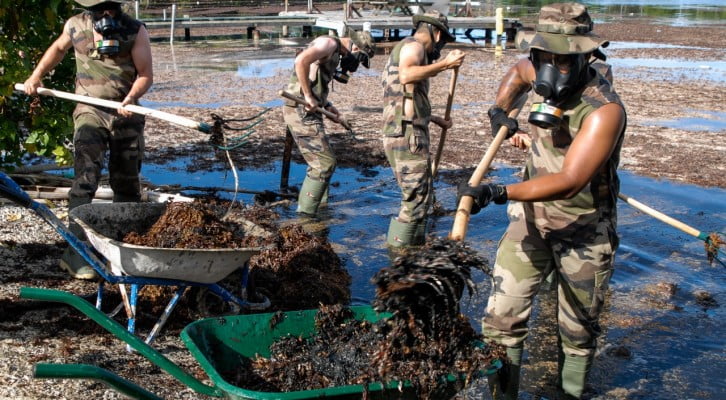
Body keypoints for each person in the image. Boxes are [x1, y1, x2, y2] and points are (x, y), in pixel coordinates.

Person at [456, 3, 626, 399]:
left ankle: (567, 393)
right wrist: (501, 110)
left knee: (577, 333)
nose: (551, 70)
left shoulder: (604, 111)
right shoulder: (538, 63)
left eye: (564, 61)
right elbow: (517, 72)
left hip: (584, 232)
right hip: (530, 222)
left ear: (587, 56)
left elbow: (568, 181)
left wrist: (498, 192)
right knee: (501, 320)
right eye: (544, 58)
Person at [23, 0, 153, 280]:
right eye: (100, 9)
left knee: (127, 182)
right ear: (90, 10)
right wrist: (36, 76)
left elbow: (145, 74)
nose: (106, 14)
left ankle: (124, 251)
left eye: (111, 8)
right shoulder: (75, 25)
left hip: (127, 112)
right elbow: (58, 49)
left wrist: (130, 98)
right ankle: (77, 254)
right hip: (89, 108)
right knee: (85, 179)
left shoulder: (135, 30)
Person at [381, 11, 465, 247]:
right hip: (406, 134)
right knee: (416, 199)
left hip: (406, 130)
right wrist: (445, 64)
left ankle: (414, 250)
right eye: (443, 40)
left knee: (422, 197)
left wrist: (434, 118)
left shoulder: (408, 47)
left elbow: (405, 97)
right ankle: (399, 257)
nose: (441, 45)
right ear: (436, 33)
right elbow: (406, 75)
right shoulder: (414, 46)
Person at [282, 29, 376, 216]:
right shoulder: (329, 44)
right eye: (359, 58)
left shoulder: (335, 51)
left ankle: (321, 208)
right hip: (300, 108)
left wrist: (328, 105)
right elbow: (301, 61)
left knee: (320, 161)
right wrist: (308, 96)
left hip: (311, 109)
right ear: (354, 46)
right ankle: (306, 218)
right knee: (324, 163)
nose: (355, 64)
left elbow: (316, 77)